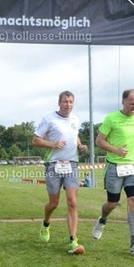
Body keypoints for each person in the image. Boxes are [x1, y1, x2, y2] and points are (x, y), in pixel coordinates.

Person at [91, 89, 134, 256]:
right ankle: (102, 219)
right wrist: (115, 150)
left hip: (133, 166)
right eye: (131, 102)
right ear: (123, 102)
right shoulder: (111, 118)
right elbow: (99, 141)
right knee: (112, 204)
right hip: (114, 167)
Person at [32, 91, 88, 255]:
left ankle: (73, 241)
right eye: (65, 101)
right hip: (54, 165)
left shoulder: (75, 119)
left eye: (71, 102)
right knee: (53, 203)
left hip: (72, 165)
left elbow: (75, 136)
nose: (68, 104)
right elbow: (35, 140)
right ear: (59, 102)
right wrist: (53, 144)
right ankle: (45, 223)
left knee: (72, 202)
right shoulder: (49, 119)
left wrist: (80, 145)